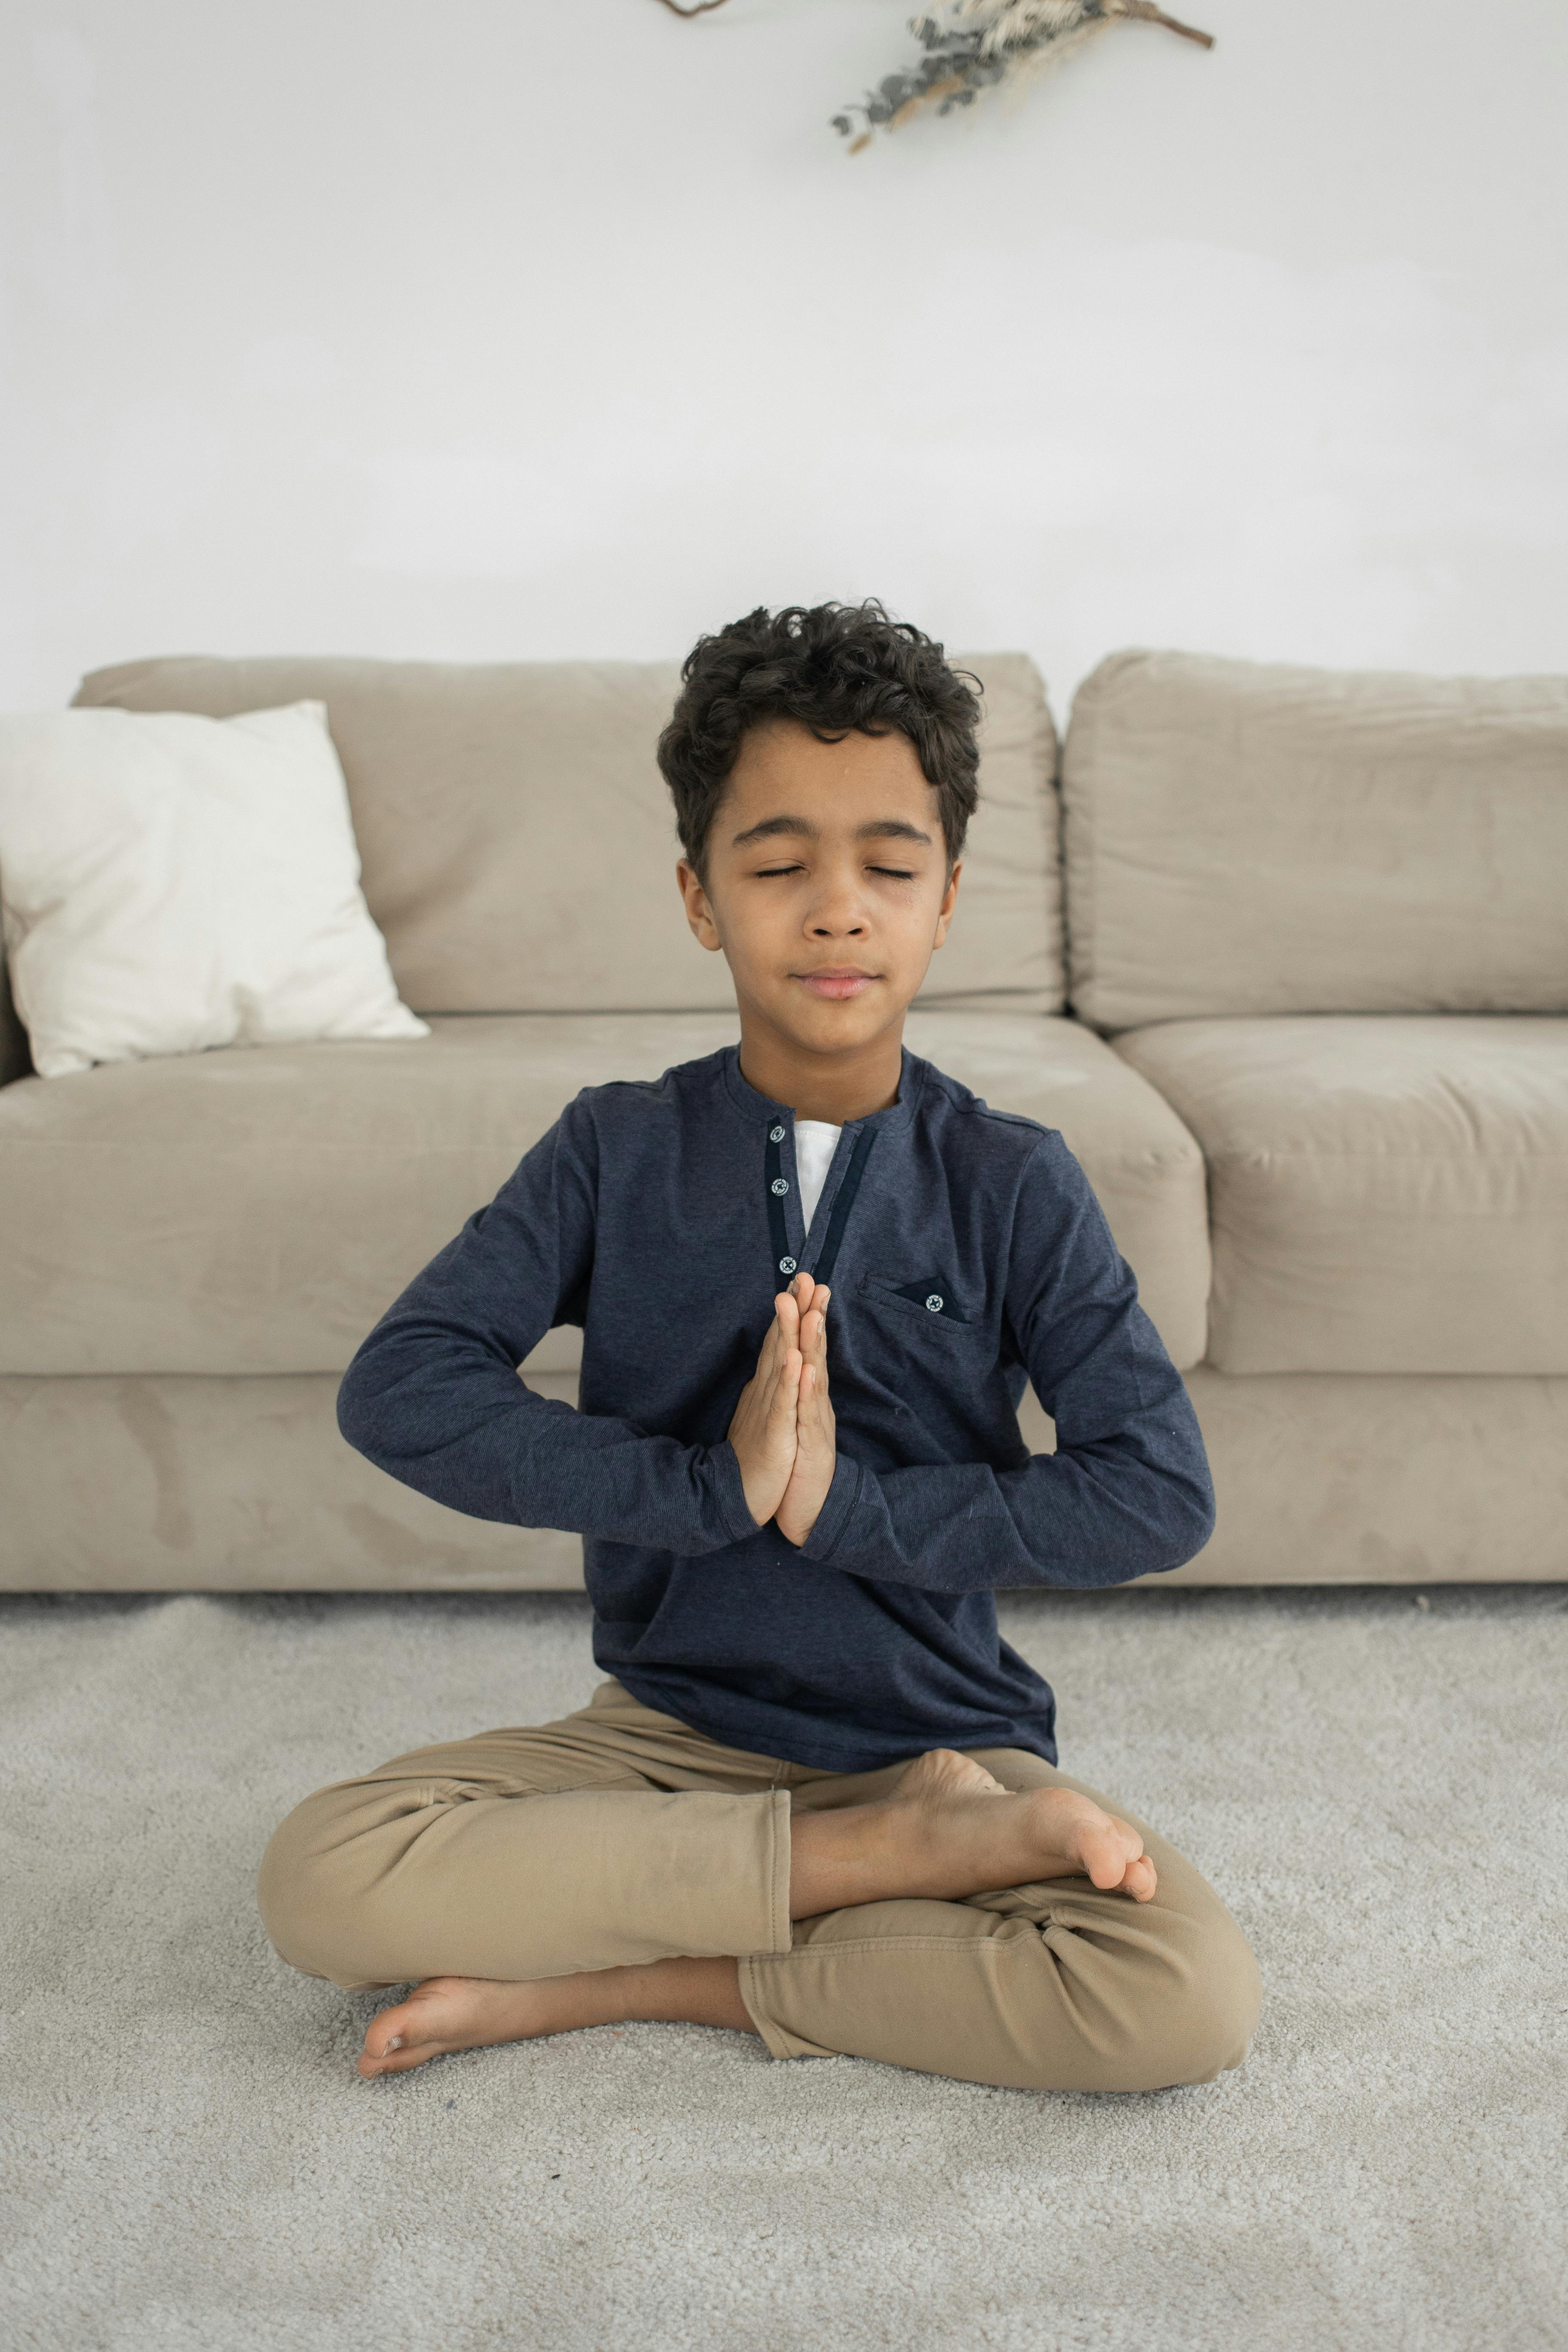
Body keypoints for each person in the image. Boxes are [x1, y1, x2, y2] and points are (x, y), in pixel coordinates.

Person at [257, 601, 1261, 2092]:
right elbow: (403, 1387)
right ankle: (867, 1867)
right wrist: (708, 1490)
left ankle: (653, 1968)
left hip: (936, 1740)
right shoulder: (614, 1148)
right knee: (320, 1874)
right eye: (782, 866)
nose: (838, 909)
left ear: (947, 900)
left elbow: (1156, 1492)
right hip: (666, 1740)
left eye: (888, 869)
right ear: (700, 897)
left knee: (1179, 1999)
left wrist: (847, 1510)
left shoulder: (1013, 1178)